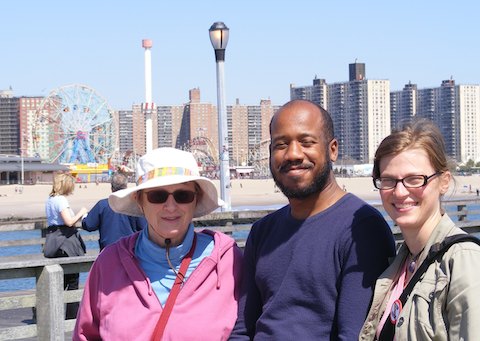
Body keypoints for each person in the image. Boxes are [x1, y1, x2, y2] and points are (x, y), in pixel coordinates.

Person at [230, 99, 396, 340]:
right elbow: (243, 330)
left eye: (306, 142)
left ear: (332, 149)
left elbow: (353, 335)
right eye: (281, 144)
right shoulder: (262, 231)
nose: (293, 154)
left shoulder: (361, 229)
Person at [74, 147, 243, 340]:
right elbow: (85, 335)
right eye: (157, 196)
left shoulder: (228, 260)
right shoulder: (108, 263)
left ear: (196, 200)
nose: (170, 206)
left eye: (183, 196)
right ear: (139, 201)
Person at [359, 119, 480, 340]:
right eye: (388, 180)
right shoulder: (399, 266)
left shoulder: (463, 261)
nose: (400, 192)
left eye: (415, 179)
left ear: (444, 181)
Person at [44, 172, 88, 319]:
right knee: (72, 280)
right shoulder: (61, 200)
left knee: (58, 281)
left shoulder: (50, 199)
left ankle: (48, 312)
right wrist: (81, 213)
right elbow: (69, 222)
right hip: (65, 243)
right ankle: (71, 317)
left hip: (54, 241)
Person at [81, 171, 147, 250]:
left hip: (108, 250)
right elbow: (144, 228)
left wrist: (84, 216)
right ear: (126, 186)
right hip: (130, 250)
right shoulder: (134, 205)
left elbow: (89, 225)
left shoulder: (102, 205)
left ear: (112, 188)